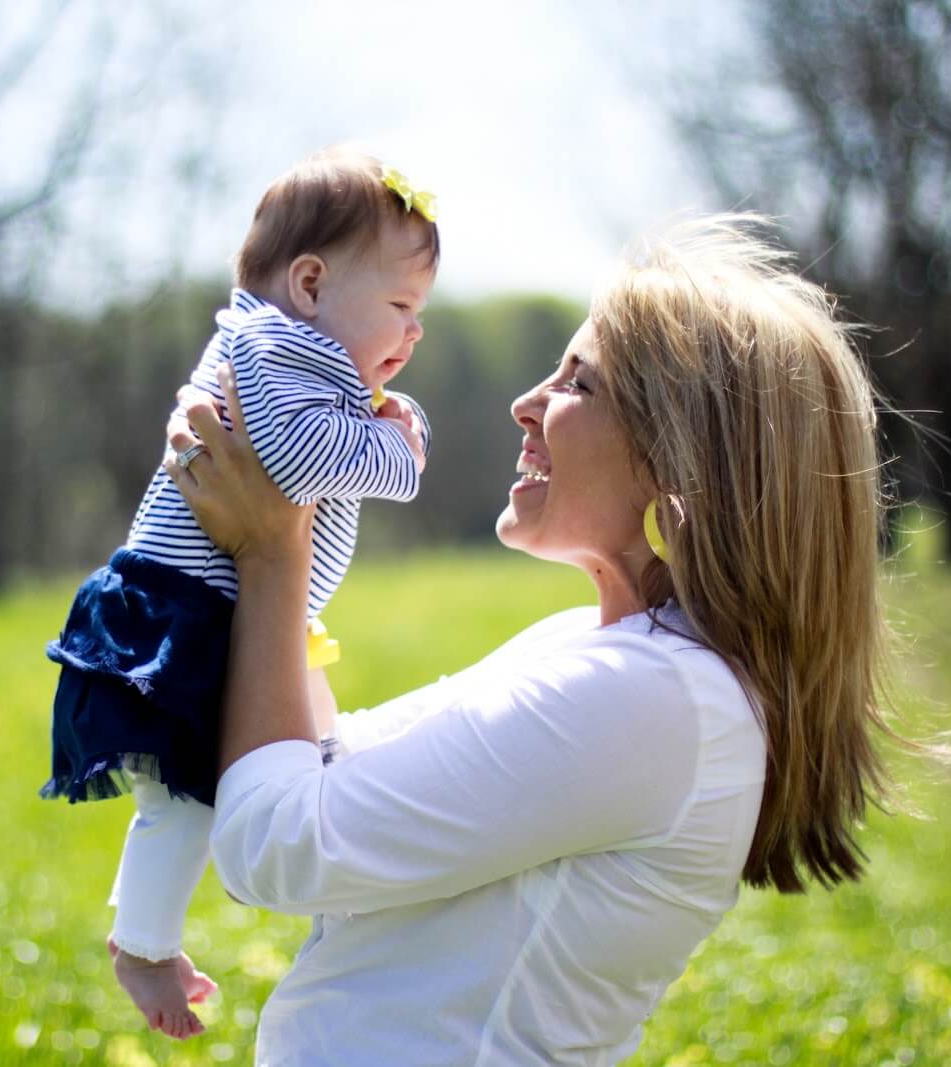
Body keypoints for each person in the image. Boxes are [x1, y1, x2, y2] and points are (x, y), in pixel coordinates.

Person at [163, 215, 905, 1064]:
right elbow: (323, 766)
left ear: (681, 461)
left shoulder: (655, 700)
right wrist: (282, 531)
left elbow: (277, 846)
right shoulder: (597, 651)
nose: (527, 402)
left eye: (578, 384)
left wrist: (272, 551)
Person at [40, 148, 439, 1039]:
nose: (413, 336)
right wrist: (400, 453)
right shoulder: (270, 348)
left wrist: (367, 411)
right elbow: (295, 462)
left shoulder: (294, 353)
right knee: (185, 798)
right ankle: (142, 944)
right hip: (189, 619)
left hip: (246, 614)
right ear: (309, 283)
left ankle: (355, 937)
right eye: (402, 307)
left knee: (310, 780)